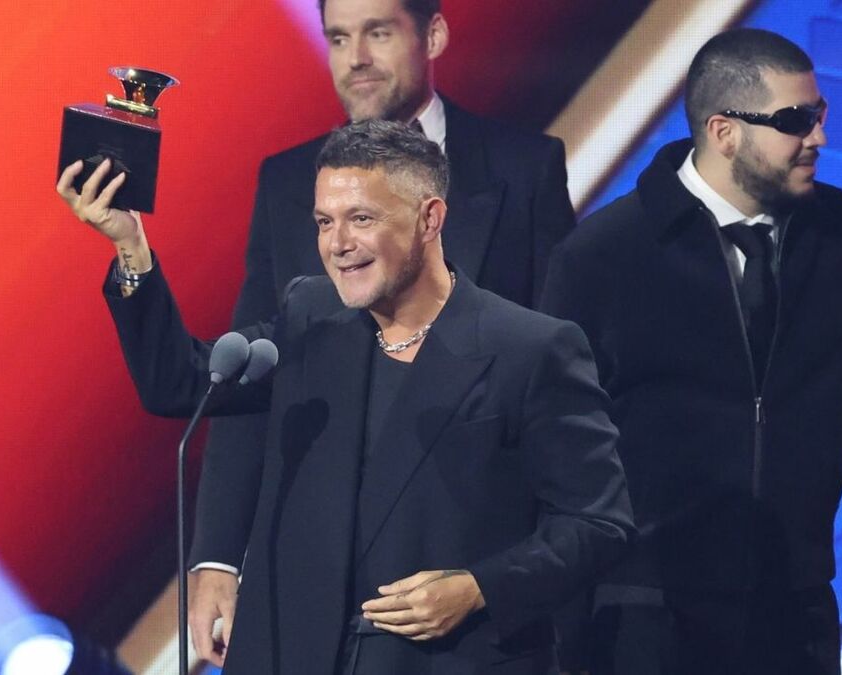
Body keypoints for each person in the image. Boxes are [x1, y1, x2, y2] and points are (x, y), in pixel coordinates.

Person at [59, 120, 632, 675]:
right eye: (323, 221)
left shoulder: (530, 348)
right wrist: (130, 246)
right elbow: (180, 380)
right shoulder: (312, 318)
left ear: (430, 219)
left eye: (360, 219)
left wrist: (480, 588)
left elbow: (596, 523)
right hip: (292, 654)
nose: (337, 244)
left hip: (440, 660)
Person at [193, 0, 578, 665]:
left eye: (378, 32)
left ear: (433, 34)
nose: (356, 59)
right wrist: (218, 555)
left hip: (468, 574)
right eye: (339, 37)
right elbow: (248, 381)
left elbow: (566, 390)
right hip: (323, 578)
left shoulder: (523, 169)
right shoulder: (289, 182)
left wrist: (527, 580)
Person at [539, 28, 842, 675]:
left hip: (795, 609)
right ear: (724, 132)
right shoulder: (604, 256)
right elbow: (551, 447)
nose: (819, 139)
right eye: (795, 121)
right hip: (646, 612)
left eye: (820, 116)